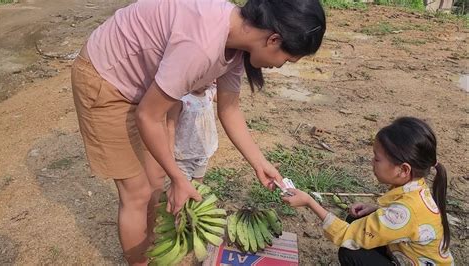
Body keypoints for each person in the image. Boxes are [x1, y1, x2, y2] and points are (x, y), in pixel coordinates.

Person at [71, 0, 326, 264]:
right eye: (288, 59)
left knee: (156, 180)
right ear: (273, 39)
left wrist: (260, 163)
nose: (281, 66)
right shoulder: (202, 45)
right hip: (106, 79)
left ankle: (153, 245)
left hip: (143, 86)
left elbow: (229, 110)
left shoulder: (236, 43)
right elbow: (148, 116)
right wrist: (179, 178)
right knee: (137, 193)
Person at [282, 117, 453, 265]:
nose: (372, 162)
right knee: (357, 219)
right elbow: (404, 218)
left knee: (351, 253)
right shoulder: (416, 188)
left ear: (403, 170)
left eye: (377, 158)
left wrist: (309, 202)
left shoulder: (406, 211)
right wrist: (377, 210)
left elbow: (345, 235)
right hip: (409, 255)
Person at [165, 82, 218, 187]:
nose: (205, 82)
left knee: (198, 185)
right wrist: (169, 153)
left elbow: (227, 97)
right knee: (182, 186)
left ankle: (193, 203)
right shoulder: (182, 99)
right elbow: (170, 126)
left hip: (203, 151)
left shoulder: (210, 92)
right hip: (183, 155)